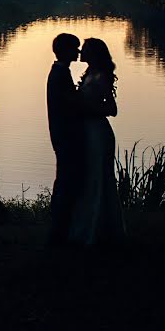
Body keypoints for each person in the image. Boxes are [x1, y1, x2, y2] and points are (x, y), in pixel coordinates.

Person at [68, 37, 126, 246]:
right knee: (90, 178)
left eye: (84, 50)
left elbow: (112, 109)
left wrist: (86, 110)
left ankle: (100, 231)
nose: (80, 52)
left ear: (93, 53)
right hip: (88, 132)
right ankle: (91, 227)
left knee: (100, 178)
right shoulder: (89, 75)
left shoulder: (101, 77)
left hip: (98, 134)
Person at [45, 33, 86, 245]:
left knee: (66, 177)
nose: (78, 52)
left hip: (63, 133)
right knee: (66, 179)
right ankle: (59, 227)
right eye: (75, 48)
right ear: (65, 50)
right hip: (65, 134)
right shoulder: (60, 74)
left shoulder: (60, 72)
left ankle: (61, 225)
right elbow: (71, 104)